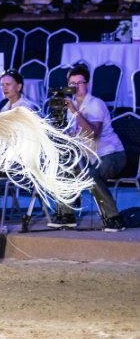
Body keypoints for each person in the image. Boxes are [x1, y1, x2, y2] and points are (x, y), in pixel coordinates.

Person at [52, 65, 126, 232]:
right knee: (64, 168)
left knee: (91, 174)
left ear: (87, 84)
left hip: (112, 155)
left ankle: (113, 218)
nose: (76, 86)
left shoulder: (95, 104)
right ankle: (66, 215)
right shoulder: (70, 108)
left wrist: (75, 111)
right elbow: (75, 136)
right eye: (72, 83)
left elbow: (92, 134)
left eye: (80, 82)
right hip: (89, 157)